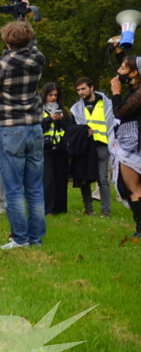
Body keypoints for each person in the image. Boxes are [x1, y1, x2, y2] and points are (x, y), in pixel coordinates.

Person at [0, 19, 46, 248]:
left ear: (6, 40)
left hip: (11, 128)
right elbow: (32, 46)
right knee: (34, 187)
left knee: (13, 189)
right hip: (34, 127)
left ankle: (20, 239)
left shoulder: (1, 63)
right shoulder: (38, 58)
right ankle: (36, 239)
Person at [70, 77, 115, 217]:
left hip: (102, 145)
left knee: (103, 179)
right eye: (78, 90)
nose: (80, 92)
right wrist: (83, 132)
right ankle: (88, 209)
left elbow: (112, 123)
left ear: (92, 87)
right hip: (86, 146)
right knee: (85, 178)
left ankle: (106, 210)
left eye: (83, 88)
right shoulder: (76, 108)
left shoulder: (107, 104)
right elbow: (73, 128)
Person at [110, 56, 141, 237]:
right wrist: (120, 49)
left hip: (133, 143)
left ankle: (140, 228)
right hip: (132, 140)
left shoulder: (138, 94)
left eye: (122, 68)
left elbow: (120, 111)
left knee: (133, 188)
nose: (118, 71)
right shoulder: (134, 90)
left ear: (134, 73)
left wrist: (115, 92)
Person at [40, 82, 71, 215]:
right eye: (50, 95)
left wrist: (60, 120)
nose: (53, 98)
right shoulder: (39, 109)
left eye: (55, 95)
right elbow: (37, 127)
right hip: (45, 147)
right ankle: (49, 209)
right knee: (48, 180)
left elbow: (69, 128)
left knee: (61, 179)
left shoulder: (62, 110)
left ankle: (60, 208)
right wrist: (49, 120)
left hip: (61, 147)